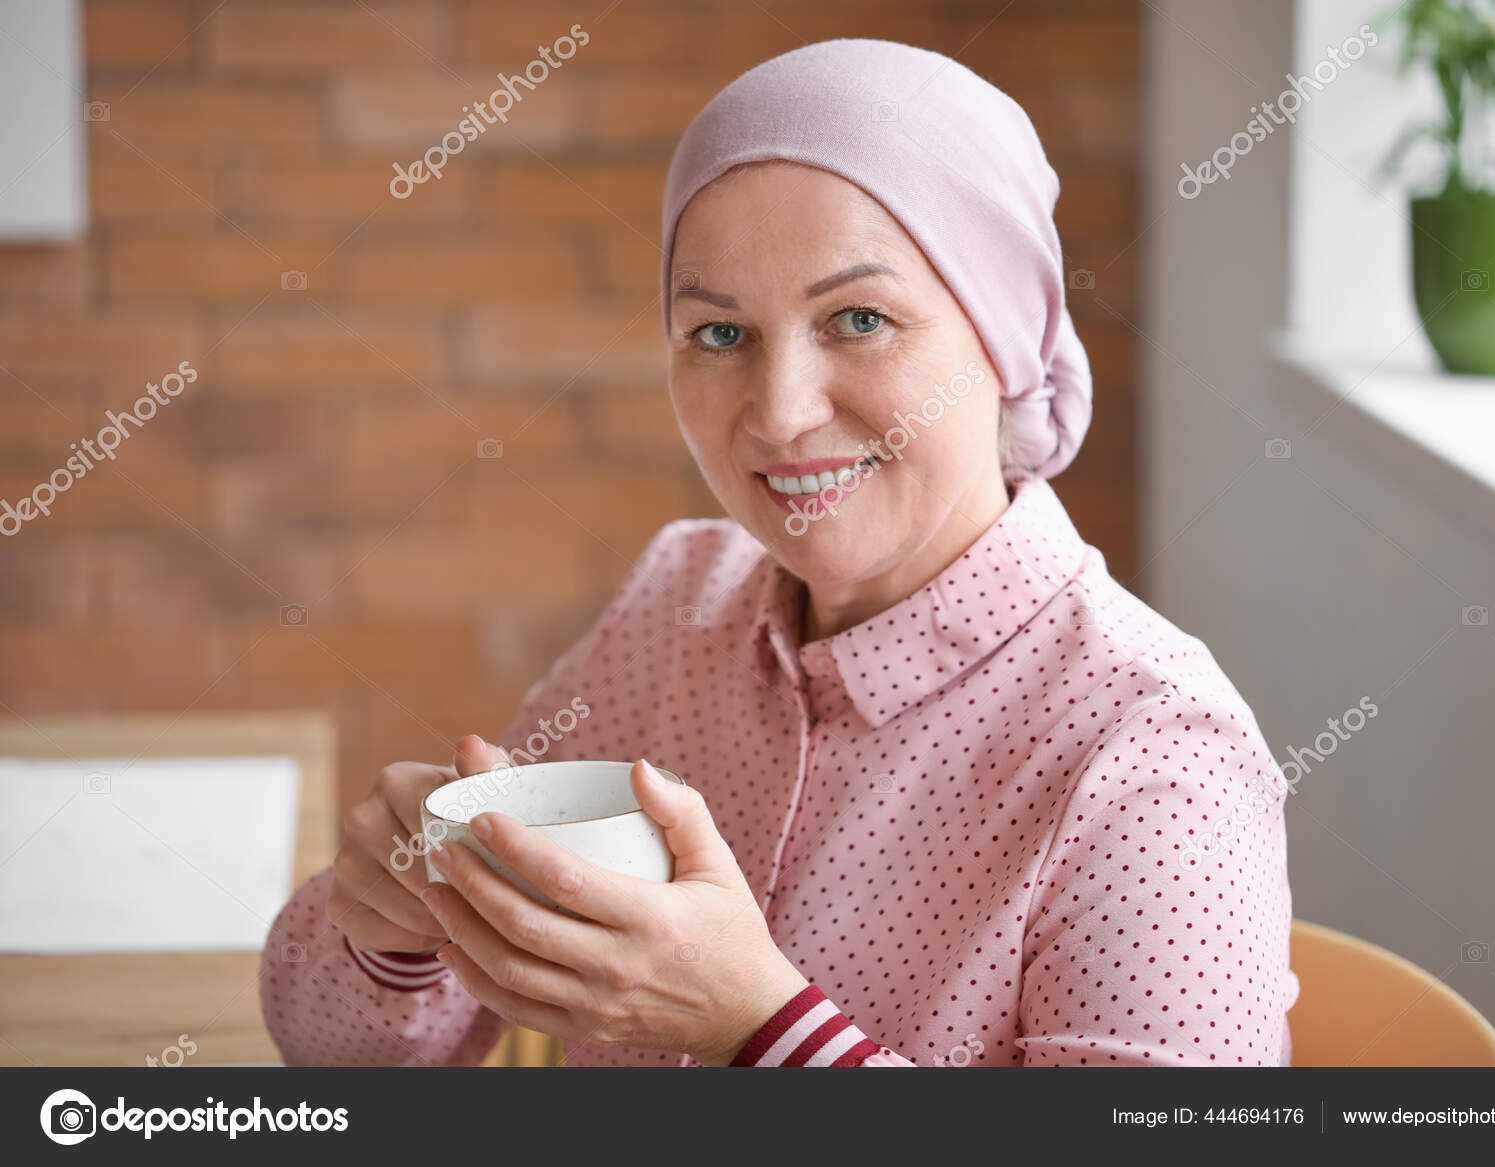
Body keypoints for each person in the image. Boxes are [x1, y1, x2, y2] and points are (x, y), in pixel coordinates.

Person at [260, 38, 1297, 1068]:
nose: (781, 411)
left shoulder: (1155, 755)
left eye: (858, 318)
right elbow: (345, 1062)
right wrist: (393, 934)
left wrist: (760, 1032)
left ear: (1011, 333)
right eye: (719, 334)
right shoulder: (678, 599)